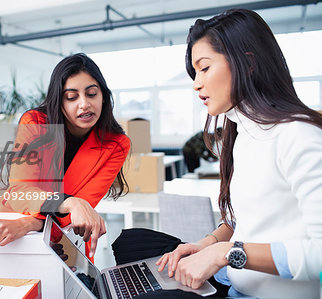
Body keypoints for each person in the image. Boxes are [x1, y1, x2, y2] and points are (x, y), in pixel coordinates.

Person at [133, 8, 322, 299]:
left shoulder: (297, 135)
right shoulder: (242, 134)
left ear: (247, 64)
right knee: (133, 244)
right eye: (194, 72)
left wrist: (227, 253)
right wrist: (207, 244)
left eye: (205, 68)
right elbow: (248, 221)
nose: (196, 83)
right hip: (236, 286)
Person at [0, 53, 130, 259]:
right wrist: (72, 203)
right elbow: (22, 190)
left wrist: (30, 223)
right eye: (71, 97)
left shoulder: (117, 145)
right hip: (8, 228)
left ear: (103, 96)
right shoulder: (35, 123)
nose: (84, 104)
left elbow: (83, 207)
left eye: (92, 94)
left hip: (61, 234)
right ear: (59, 101)